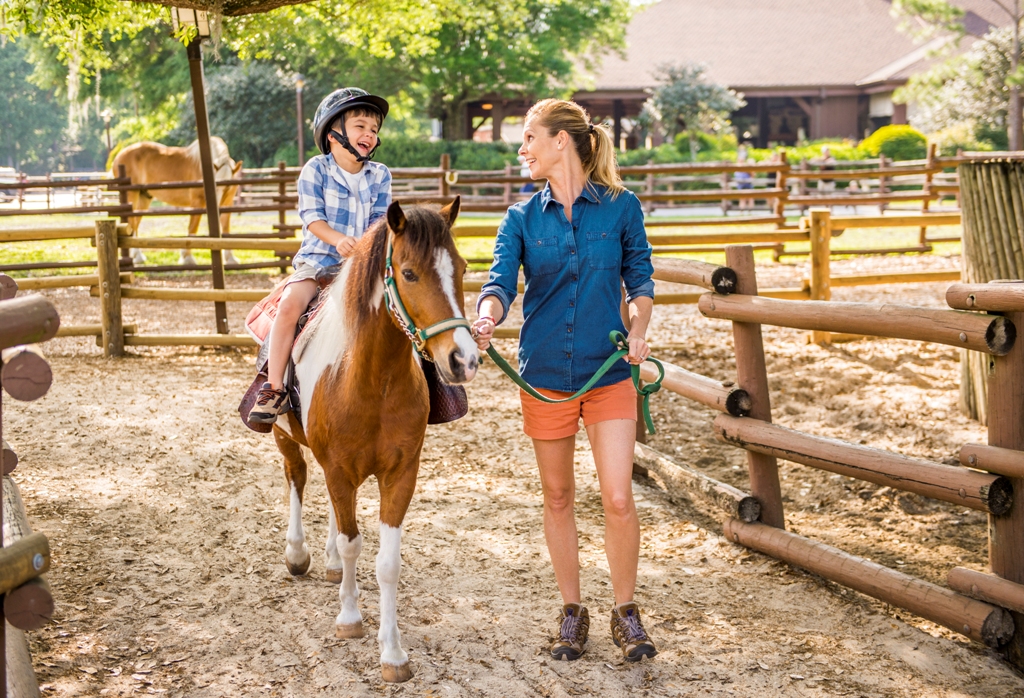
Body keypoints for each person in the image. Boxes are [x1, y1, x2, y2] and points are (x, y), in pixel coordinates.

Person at [472, 99, 658, 663]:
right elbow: (500, 281)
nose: (521, 149)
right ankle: (571, 611)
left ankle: (626, 612)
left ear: (562, 142)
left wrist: (640, 328)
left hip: (607, 371)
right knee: (558, 495)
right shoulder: (521, 217)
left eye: (529, 137)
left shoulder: (622, 208)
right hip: (546, 374)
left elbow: (641, 278)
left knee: (619, 498)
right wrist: (485, 316)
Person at [248, 88, 392, 424]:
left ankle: (430, 379)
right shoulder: (317, 169)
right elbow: (312, 217)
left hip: (362, 265)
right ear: (333, 134)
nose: (369, 134)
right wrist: (338, 240)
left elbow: (380, 222)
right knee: (289, 307)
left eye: (373, 129)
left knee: (404, 304)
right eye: (360, 126)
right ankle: (273, 387)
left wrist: (367, 249)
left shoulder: (380, 175)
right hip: (318, 261)